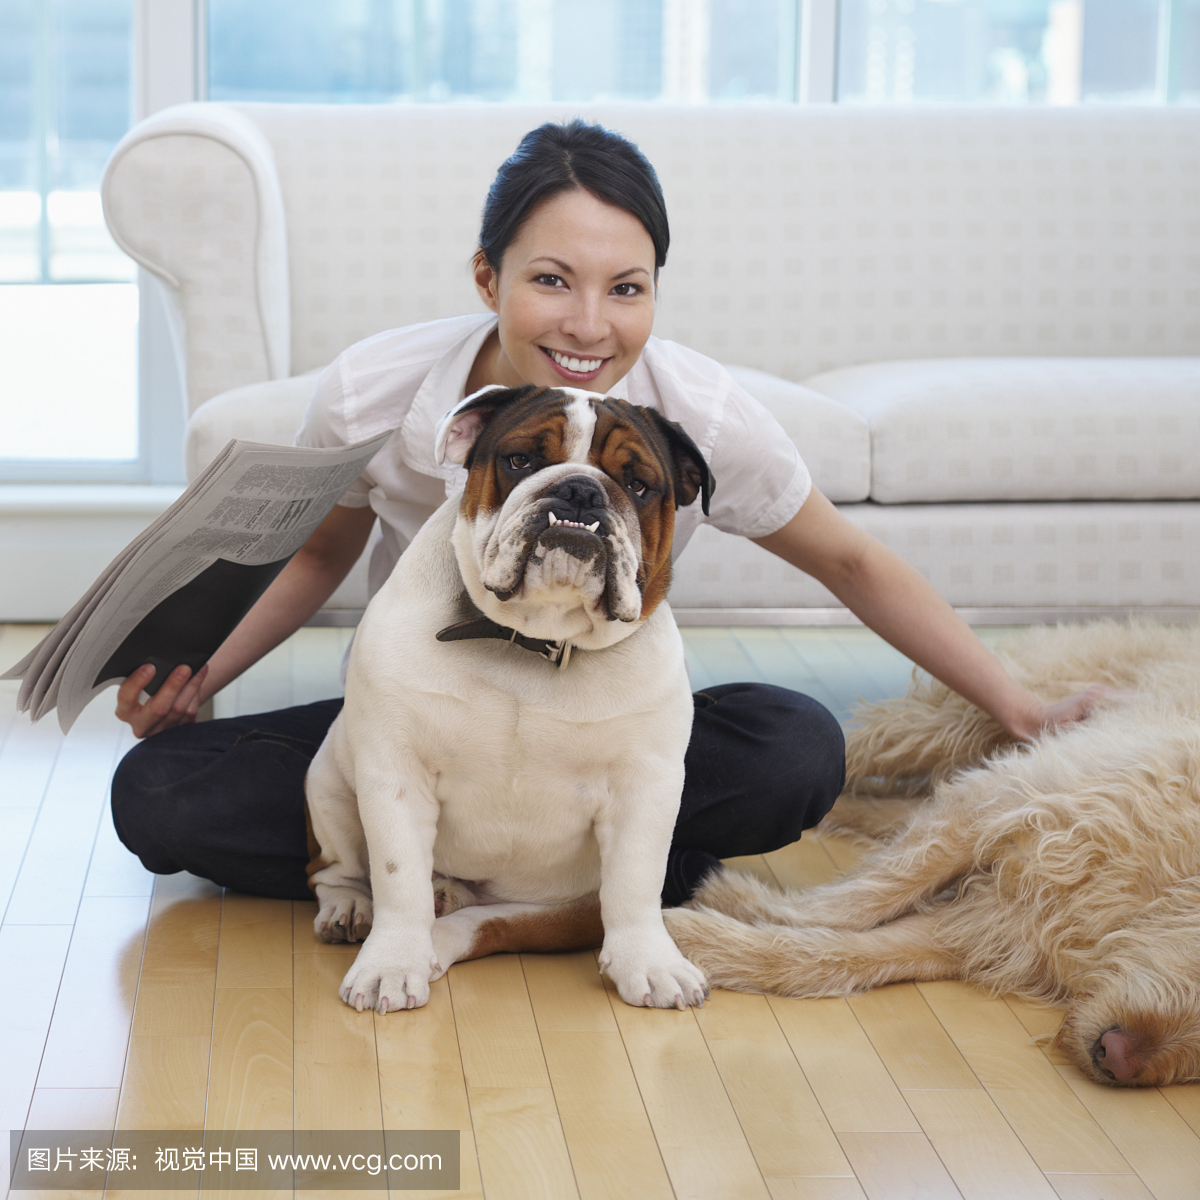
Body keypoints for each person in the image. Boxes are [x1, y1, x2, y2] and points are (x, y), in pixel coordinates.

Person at [109, 120, 1109, 908]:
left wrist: (1017, 704)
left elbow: (849, 563)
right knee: (155, 797)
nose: (590, 325)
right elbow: (321, 555)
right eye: (551, 281)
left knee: (796, 749)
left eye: (626, 289)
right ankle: (579, 883)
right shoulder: (378, 387)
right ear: (486, 277)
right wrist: (199, 679)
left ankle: (512, 880)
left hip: (600, 733)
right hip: (423, 734)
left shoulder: (699, 411)